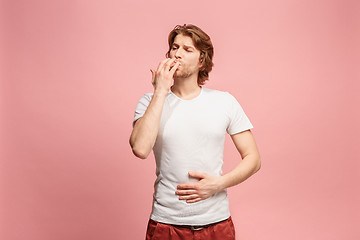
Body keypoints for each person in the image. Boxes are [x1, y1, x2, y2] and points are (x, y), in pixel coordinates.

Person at [129, 24, 261, 240]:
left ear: (202, 61)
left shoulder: (224, 102)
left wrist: (219, 183)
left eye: (187, 49)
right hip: (166, 225)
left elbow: (254, 158)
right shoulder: (150, 101)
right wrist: (160, 91)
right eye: (174, 47)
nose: (177, 54)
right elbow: (140, 149)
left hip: (217, 224)